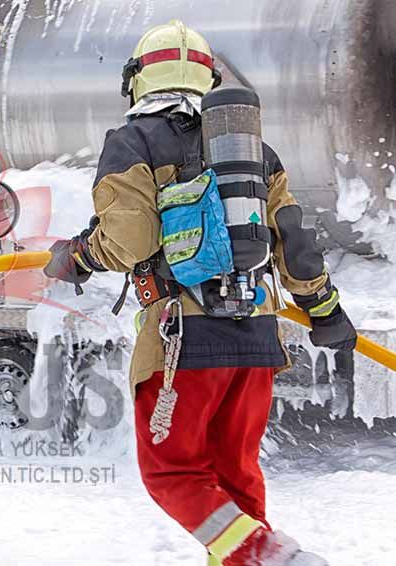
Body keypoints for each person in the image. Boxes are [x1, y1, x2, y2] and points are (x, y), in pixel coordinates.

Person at [44, 20, 357, 566]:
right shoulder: (255, 151)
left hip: (184, 342)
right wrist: (325, 311)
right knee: (235, 474)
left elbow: (128, 240)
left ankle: (263, 554)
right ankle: (256, 557)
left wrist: (77, 257)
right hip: (257, 338)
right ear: (208, 79)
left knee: (172, 472)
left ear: (138, 79)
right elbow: (294, 244)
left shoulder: (133, 142)